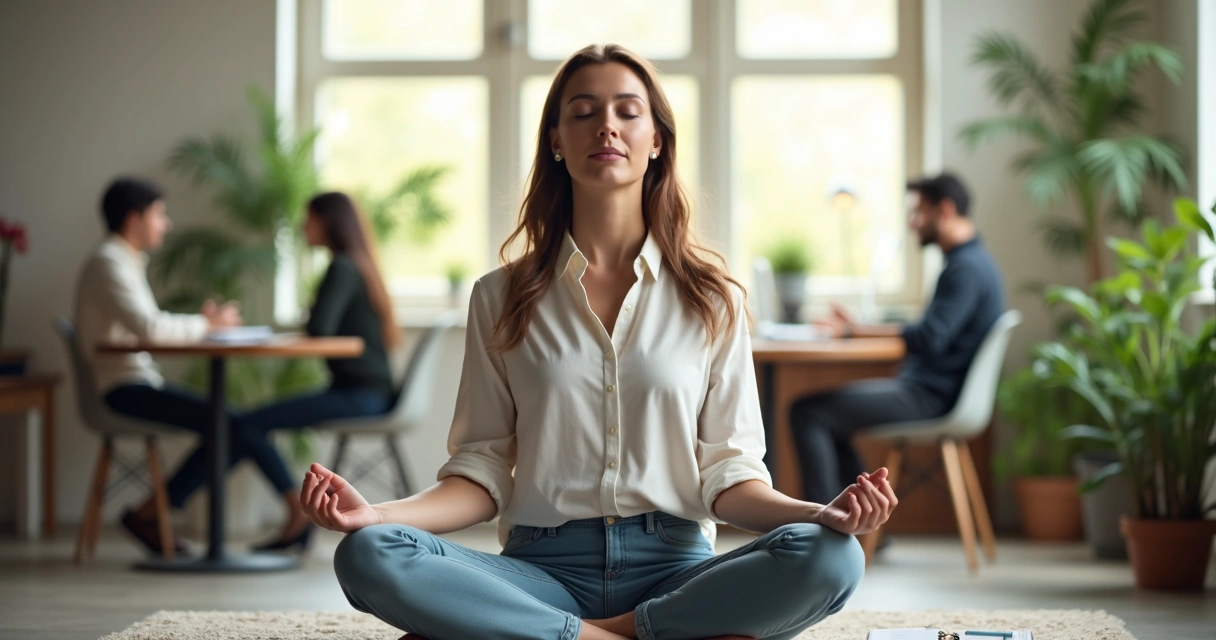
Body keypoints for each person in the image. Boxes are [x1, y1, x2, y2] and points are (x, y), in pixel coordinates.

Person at [298, 45, 897, 640]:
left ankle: (563, 635)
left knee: (835, 556)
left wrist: (822, 515)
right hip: (539, 570)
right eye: (583, 111)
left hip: (677, 569)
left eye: (627, 111)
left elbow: (732, 477)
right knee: (369, 552)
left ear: (656, 139)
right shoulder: (498, 296)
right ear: (556, 139)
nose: (606, 125)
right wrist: (374, 514)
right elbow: (479, 476)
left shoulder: (715, 299)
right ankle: (623, 635)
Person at [789, 173, 1005, 505]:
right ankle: (865, 527)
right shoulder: (971, 263)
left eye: (918, 211)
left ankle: (820, 530)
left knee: (809, 412)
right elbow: (934, 330)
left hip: (932, 397)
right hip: (933, 391)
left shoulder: (966, 269)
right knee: (826, 415)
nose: (912, 222)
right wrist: (861, 327)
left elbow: (930, 337)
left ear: (945, 210)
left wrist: (855, 331)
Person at [75, 177, 246, 554]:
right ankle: (152, 513)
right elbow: (150, 328)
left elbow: (147, 324)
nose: (165, 224)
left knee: (230, 423)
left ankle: (151, 513)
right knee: (230, 423)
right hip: (122, 390)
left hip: (136, 383)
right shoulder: (108, 263)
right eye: (159, 214)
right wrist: (207, 326)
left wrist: (204, 324)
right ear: (134, 219)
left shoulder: (124, 260)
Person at [240, 191, 401, 551]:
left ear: (327, 222)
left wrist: (310, 313)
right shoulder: (357, 263)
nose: (301, 226)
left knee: (246, 424)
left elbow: (319, 328)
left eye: (308, 218)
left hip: (360, 396)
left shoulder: (342, 266)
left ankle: (297, 513)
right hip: (366, 393)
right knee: (240, 424)